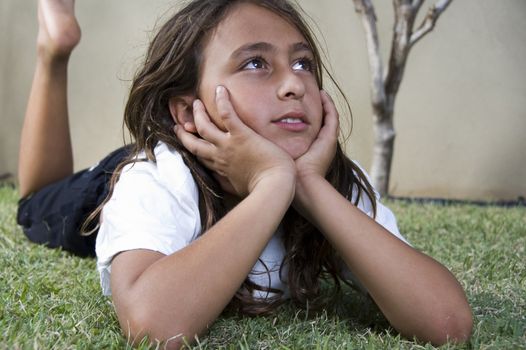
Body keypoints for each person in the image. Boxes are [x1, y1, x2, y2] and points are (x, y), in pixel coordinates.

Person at [17, 0, 473, 348]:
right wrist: (273, 184)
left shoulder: (333, 180)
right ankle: (53, 50)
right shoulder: (155, 178)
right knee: (35, 203)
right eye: (255, 63)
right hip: (116, 180)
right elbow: (152, 328)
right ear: (187, 109)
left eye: (303, 63)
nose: (294, 83)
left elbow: (448, 324)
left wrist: (307, 185)